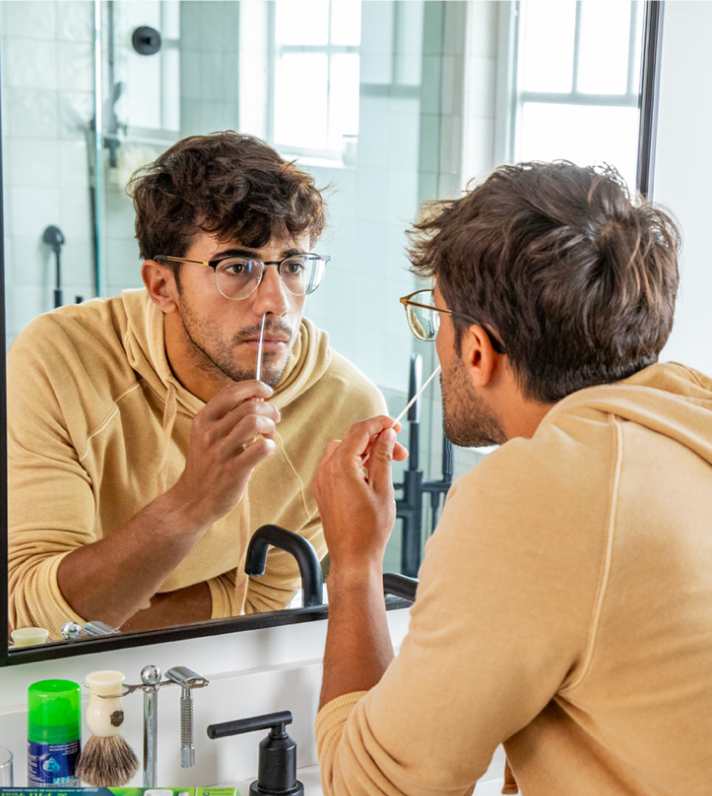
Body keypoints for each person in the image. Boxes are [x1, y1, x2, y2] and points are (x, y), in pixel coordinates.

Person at [313, 161, 712, 795]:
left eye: (435, 317)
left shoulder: (548, 493)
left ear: (477, 351)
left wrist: (354, 563)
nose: (436, 346)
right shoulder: (687, 427)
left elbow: (373, 788)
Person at [8, 132, 385, 638]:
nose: (275, 300)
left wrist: (103, 614)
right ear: (161, 286)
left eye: (293, 265)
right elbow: (29, 619)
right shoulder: (60, 360)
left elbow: (258, 599)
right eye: (237, 267)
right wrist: (193, 503)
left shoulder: (344, 406)